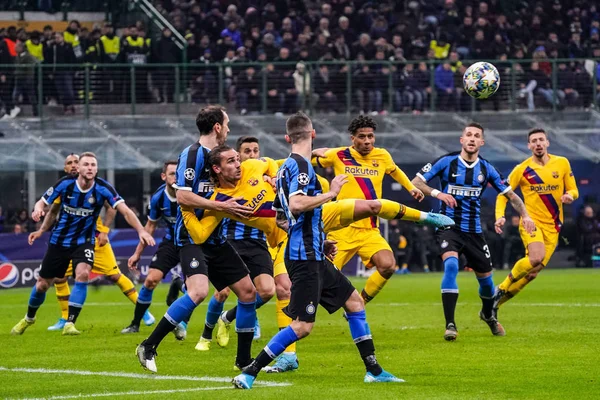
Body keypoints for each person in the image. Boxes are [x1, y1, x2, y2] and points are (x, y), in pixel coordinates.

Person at [231, 112, 407, 389]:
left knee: (355, 304)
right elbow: (299, 205)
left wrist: (319, 240)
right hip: (305, 259)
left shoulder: (284, 168)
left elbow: (281, 217)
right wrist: (331, 193)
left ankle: (373, 369)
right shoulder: (301, 168)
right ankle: (249, 372)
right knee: (302, 326)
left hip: (313, 252)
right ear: (313, 135)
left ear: (287, 138)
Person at [136, 105, 257, 374]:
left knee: (248, 292)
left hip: (215, 237)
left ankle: (243, 360)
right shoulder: (193, 155)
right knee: (199, 291)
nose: (228, 129)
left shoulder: (222, 157)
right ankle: (148, 345)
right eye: (226, 124)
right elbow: (183, 197)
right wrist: (223, 207)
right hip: (191, 237)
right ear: (216, 127)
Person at [411, 122, 535, 341]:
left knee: (487, 283)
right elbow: (416, 182)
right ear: (461, 140)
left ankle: (488, 314)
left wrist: (525, 215)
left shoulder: (487, 169)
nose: (471, 138)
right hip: (448, 226)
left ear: (481, 142)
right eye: (468, 134)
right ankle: (450, 324)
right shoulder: (446, 162)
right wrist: (438, 194)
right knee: (450, 265)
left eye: (476, 136)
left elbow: (511, 195)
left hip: (474, 233)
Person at [11, 152, 154, 336]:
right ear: (78, 168)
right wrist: (38, 212)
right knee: (42, 285)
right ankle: (29, 318)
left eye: (93, 165)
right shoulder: (65, 184)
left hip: (85, 241)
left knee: (84, 274)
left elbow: (124, 211)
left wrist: (141, 230)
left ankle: (70, 323)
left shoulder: (103, 188)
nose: (90, 168)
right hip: (59, 241)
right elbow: (46, 205)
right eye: (86, 164)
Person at [310, 115, 425, 303]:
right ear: (352, 139)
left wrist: (411, 188)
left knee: (388, 265)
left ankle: (360, 302)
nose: (367, 141)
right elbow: (303, 161)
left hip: (370, 230)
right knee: (319, 279)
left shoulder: (382, 155)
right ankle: (293, 317)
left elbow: (394, 170)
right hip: (341, 230)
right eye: (362, 137)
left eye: (370, 136)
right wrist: (312, 153)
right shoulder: (338, 154)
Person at [195, 136, 276, 352]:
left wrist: (274, 177)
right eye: (245, 152)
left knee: (267, 291)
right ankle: (206, 335)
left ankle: (228, 317)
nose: (250, 156)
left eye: (255, 150)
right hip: (232, 241)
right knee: (222, 292)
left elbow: (272, 165)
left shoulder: (255, 171)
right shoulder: (222, 194)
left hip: (258, 240)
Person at [493, 128, 578, 310]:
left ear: (547, 143)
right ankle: (501, 288)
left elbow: (574, 189)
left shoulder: (562, 163)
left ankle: (493, 307)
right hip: (531, 222)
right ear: (529, 146)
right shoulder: (522, 169)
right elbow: (503, 194)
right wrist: (499, 216)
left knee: (531, 274)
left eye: (541, 140)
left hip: (553, 227)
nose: (538, 143)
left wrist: (570, 195)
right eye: (534, 141)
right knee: (535, 258)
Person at [121, 160, 186, 336]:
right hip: (171, 242)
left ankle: (181, 321)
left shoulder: (189, 193)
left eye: (178, 173)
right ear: (164, 176)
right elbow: (150, 227)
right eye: (172, 173)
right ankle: (135, 324)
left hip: (192, 243)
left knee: (193, 289)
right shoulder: (158, 198)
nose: (176, 177)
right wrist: (137, 254)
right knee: (150, 281)